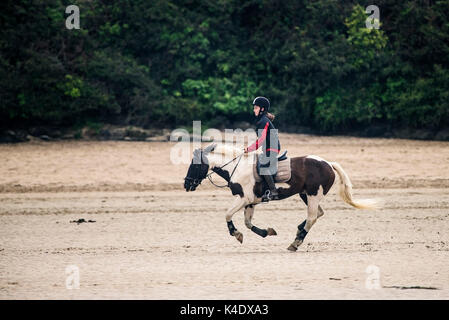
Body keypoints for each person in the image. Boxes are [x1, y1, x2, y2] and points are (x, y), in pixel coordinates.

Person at [244, 96, 281, 201]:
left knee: (263, 167)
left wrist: (249, 149)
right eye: (254, 108)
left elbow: (260, 140)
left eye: (256, 108)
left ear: (262, 109)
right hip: (268, 148)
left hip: (272, 148)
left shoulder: (263, 121)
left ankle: (273, 191)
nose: (254, 110)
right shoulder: (261, 120)